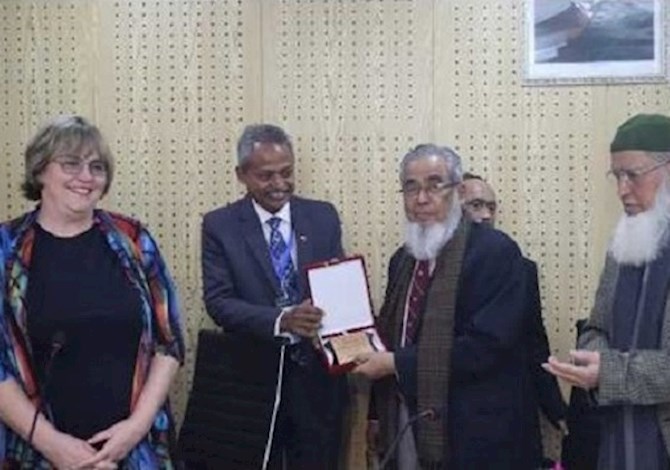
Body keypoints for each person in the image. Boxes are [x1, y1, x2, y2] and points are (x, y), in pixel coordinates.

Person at [0, 115, 185, 469]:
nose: (86, 177)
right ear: (40, 171)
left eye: (96, 167)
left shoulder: (134, 240)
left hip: (136, 449)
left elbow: (169, 340)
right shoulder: (6, 250)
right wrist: (54, 447)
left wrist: (134, 429)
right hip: (37, 451)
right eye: (71, 164)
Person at [354, 144, 533, 469]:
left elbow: (486, 347)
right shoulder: (403, 259)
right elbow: (391, 335)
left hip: (474, 432)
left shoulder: (496, 252)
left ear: (458, 191)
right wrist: (375, 413)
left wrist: (396, 363)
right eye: (411, 187)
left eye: (435, 185)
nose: (422, 199)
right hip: (407, 421)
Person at [201, 124, 347, 469]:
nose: (279, 184)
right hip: (251, 380)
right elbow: (219, 302)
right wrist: (282, 320)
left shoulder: (323, 216)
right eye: (266, 176)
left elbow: (339, 284)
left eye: (287, 173)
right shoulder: (220, 225)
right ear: (242, 175)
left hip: (317, 379)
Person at [544, 113, 670, 470]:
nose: (622, 190)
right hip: (616, 438)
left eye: (633, 175)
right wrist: (591, 358)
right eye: (617, 176)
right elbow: (595, 328)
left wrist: (608, 372)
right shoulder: (626, 243)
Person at [460, 173, 568, 466]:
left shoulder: (520, 269)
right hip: (450, 422)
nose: (485, 215)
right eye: (476, 205)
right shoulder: (421, 266)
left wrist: (557, 410)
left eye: (492, 207)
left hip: (507, 421)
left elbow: (534, 343)